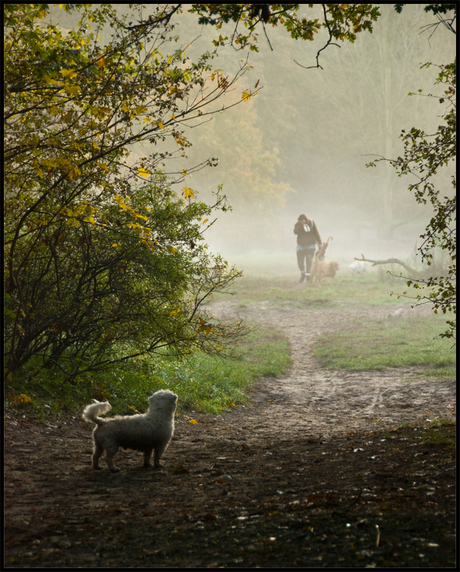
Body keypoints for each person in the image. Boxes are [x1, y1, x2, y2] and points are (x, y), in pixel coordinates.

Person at [294, 214, 322, 283]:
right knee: (300, 262)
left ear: (306, 219)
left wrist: (319, 243)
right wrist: (301, 225)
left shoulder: (311, 223)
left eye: (303, 220)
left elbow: (316, 232)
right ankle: (303, 275)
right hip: (301, 246)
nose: (302, 222)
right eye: (300, 221)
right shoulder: (298, 225)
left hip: (311, 245)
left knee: (309, 262)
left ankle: (308, 277)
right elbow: (295, 232)